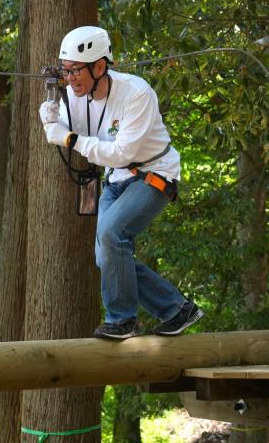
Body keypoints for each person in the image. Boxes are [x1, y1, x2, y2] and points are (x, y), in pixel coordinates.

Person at [38, 25, 202, 340]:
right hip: (117, 178)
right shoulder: (74, 95)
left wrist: (68, 137)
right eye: (66, 71)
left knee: (113, 234)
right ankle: (177, 310)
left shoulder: (136, 93)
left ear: (100, 67)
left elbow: (120, 152)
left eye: (76, 71)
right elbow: (66, 127)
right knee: (107, 257)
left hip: (154, 173)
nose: (70, 79)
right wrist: (50, 117)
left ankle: (122, 320)